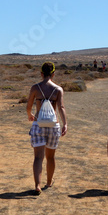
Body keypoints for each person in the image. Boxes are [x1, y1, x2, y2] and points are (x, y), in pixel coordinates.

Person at [26, 61, 68, 194]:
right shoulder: (58, 89)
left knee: (38, 157)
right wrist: (65, 123)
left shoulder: (35, 88)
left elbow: (28, 105)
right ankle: (49, 182)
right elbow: (61, 107)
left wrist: (30, 114)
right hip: (53, 125)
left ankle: (37, 184)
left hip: (38, 124)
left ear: (41, 74)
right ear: (53, 74)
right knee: (51, 157)